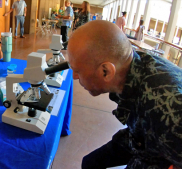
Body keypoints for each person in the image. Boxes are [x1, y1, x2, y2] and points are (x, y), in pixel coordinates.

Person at [68, 20, 182, 169]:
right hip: (144, 139)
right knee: (91, 162)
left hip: (160, 156)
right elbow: (141, 129)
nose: (74, 77)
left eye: (78, 71)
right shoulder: (132, 66)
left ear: (106, 71)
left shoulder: (168, 109)